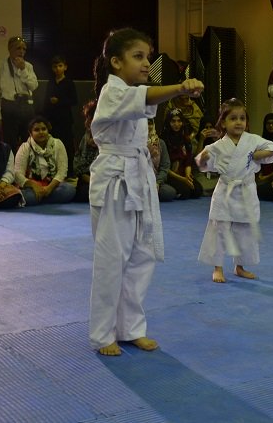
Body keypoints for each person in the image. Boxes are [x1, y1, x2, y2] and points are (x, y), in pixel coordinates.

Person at [86, 27, 204, 356]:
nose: (145, 64)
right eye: (138, 56)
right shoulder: (113, 91)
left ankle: (131, 328)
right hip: (114, 183)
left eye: (148, 57)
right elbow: (146, 98)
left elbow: (144, 102)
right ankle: (102, 333)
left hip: (138, 178)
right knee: (113, 258)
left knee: (141, 256)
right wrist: (181, 86)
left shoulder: (135, 91)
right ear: (115, 62)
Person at [196, 98, 273, 283]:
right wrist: (203, 160)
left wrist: (257, 155)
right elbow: (202, 163)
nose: (239, 122)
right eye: (233, 118)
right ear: (223, 123)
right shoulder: (218, 146)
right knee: (219, 228)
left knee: (245, 229)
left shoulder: (253, 140)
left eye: (242, 118)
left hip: (246, 190)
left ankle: (240, 267)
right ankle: (217, 268)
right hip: (225, 190)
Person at [0, 36, 38, 152]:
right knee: (10, 143)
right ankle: (11, 169)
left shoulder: (28, 66)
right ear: (9, 49)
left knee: (29, 142)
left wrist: (23, 70)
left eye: (24, 49)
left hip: (26, 107)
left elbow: (34, 86)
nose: (22, 51)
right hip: (9, 107)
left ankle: (28, 168)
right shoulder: (0, 67)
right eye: (18, 48)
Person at [14, 116, 75, 206]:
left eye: (44, 129)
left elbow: (62, 172)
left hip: (53, 186)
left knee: (69, 190)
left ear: (48, 130)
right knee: (22, 195)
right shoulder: (25, 147)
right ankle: (43, 198)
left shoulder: (57, 144)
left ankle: (38, 199)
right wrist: (35, 186)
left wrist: (49, 189)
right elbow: (18, 174)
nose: (41, 132)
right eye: (36, 130)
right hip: (32, 188)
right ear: (30, 133)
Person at [43, 55, 77, 175]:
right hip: (52, 120)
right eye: (55, 66)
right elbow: (45, 101)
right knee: (52, 146)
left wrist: (59, 101)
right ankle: (53, 171)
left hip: (65, 120)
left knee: (67, 146)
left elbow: (74, 101)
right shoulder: (50, 83)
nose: (57, 68)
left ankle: (69, 172)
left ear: (65, 67)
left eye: (60, 66)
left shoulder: (69, 83)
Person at [160, 107, 203, 199]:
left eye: (179, 121)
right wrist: (183, 180)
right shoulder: (163, 140)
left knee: (198, 191)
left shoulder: (185, 139)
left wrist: (187, 176)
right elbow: (164, 167)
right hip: (170, 175)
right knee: (186, 192)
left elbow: (188, 161)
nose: (176, 124)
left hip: (183, 173)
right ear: (168, 122)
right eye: (173, 121)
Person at [148, 118, 176, 202]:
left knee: (169, 192)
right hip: (139, 179)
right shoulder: (135, 142)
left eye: (150, 124)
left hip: (155, 179)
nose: (148, 127)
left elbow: (165, 166)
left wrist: (157, 182)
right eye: (145, 124)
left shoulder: (160, 143)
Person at [256, 113, 273, 185]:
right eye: (268, 123)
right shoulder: (263, 140)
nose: (271, 126)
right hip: (262, 174)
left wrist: (268, 177)